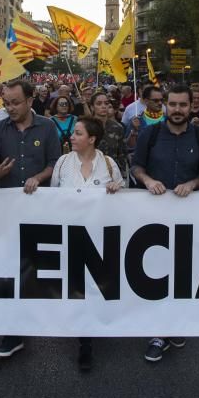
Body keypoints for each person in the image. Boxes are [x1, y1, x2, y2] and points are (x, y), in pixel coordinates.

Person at [131, 84, 199, 363]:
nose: (177, 110)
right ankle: (157, 332)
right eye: (173, 104)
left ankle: (174, 324)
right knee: (156, 273)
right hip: (153, 217)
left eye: (183, 105)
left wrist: (193, 183)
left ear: (192, 107)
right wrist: (149, 181)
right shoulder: (150, 134)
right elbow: (136, 167)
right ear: (165, 105)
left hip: (189, 217)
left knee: (182, 273)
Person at [0, 79, 61, 359]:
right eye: (7, 103)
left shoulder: (48, 127)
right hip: (7, 210)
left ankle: (48, 318)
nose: (10, 107)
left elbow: (55, 163)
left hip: (40, 210)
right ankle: (12, 330)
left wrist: (38, 178)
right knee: (9, 267)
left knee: (39, 265)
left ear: (30, 101)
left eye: (16, 102)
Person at [50, 116, 123, 371]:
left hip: (99, 237)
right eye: (73, 133)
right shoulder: (62, 163)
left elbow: (125, 201)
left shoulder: (109, 164)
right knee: (76, 285)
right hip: (70, 235)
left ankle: (94, 326)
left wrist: (116, 188)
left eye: (78, 133)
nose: (72, 137)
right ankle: (85, 341)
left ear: (92, 139)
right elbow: (52, 198)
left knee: (96, 285)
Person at [89, 91, 129, 180]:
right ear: (92, 107)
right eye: (99, 104)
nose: (103, 106)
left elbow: (122, 153)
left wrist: (122, 176)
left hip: (112, 174)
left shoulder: (117, 127)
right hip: (90, 174)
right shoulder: (85, 127)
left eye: (106, 103)